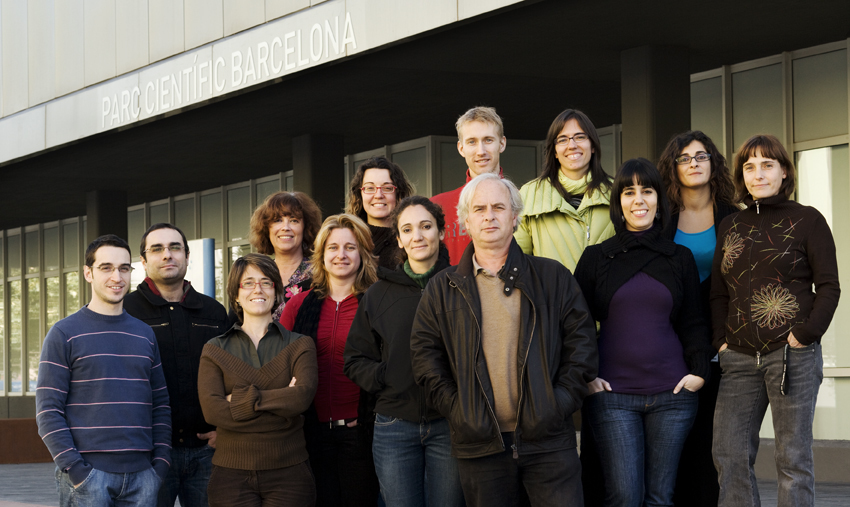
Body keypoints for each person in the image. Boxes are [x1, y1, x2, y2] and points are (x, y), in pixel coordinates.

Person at [411, 173, 597, 506]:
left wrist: (556, 405)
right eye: (479, 208)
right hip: (480, 444)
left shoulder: (553, 277)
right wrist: (460, 410)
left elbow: (582, 348)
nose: (489, 215)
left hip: (549, 441)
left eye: (499, 207)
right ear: (466, 220)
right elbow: (425, 359)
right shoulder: (442, 288)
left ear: (515, 217)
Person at [573, 158, 713, 507]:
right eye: (629, 191)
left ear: (658, 200)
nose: (639, 199)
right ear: (618, 202)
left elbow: (694, 321)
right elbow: (576, 325)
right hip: (613, 397)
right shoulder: (596, 259)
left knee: (661, 498)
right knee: (623, 496)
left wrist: (698, 372)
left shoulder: (678, 258)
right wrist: (587, 376)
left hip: (673, 397)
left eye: (647, 191)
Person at [711, 134, 840, 507]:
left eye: (767, 165)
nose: (758, 174)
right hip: (736, 357)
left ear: (784, 171)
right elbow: (719, 292)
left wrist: (805, 333)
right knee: (729, 454)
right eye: (749, 167)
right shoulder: (731, 225)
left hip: (791, 355)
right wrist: (721, 340)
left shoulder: (808, 219)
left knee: (792, 458)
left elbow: (829, 286)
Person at [344, 196, 463, 507]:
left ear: (441, 231)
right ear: (398, 239)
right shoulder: (377, 294)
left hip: (449, 422)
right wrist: (388, 375)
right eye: (407, 230)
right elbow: (355, 359)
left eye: (426, 227)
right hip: (394, 425)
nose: (418, 236)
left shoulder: (462, 285)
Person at [36, 234, 171, 507]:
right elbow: (48, 410)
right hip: (88, 477)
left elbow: (160, 404)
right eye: (106, 267)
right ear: (88, 273)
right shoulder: (64, 333)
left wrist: (160, 465)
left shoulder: (144, 334)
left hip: (143, 477)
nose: (116, 277)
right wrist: (75, 469)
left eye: (124, 268)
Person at [657, 131, 739, 507]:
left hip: (725, 342)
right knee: (678, 439)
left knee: (716, 439)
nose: (693, 163)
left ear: (713, 163)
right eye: (684, 158)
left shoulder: (734, 218)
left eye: (701, 156)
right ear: (673, 168)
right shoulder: (660, 221)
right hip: (672, 344)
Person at [198, 253, 318, 507]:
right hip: (230, 477)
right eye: (248, 283)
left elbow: (301, 398)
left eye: (266, 282)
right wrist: (281, 397)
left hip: (290, 474)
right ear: (236, 295)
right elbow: (212, 411)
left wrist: (239, 400)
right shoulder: (214, 349)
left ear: (276, 292)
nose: (258, 289)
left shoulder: (299, 344)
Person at [124, 223, 229, 507]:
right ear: (144, 261)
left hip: (207, 451)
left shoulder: (214, 312)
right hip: (150, 454)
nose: (167, 255)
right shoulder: (126, 312)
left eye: (175, 248)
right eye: (157, 249)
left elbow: (232, 376)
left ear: (187, 255)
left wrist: (225, 430)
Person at [281, 214, 381, 507]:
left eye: (350, 247)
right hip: (309, 434)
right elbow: (280, 365)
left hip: (362, 434)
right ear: (321, 255)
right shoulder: (299, 306)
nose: (341, 255)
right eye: (333, 248)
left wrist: (366, 419)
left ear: (362, 253)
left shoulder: (377, 303)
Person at [515, 108, 614, 274]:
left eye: (580, 137)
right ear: (554, 151)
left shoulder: (617, 192)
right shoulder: (529, 194)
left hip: (606, 299)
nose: (572, 145)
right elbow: (518, 262)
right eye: (562, 140)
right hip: (551, 298)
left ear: (593, 146)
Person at [431, 106, 507, 264]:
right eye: (472, 142)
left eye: (488, 140)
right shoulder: (437, 206)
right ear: (461, 148)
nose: (481, 151)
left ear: (502, 144)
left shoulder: (523, 200)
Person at [248, 191, 322, 320]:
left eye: (294, 220)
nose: (285, 227)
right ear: (266, 228)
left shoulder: (321, 276)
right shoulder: (253, 275)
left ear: (305, 228)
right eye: (278, 220)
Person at [346, 156, 415, 269]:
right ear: (360, 194)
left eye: (387, 188)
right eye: (370, 188)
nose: (378, 195)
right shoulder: (347, 239)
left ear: (398, 194)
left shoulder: (411, 239)